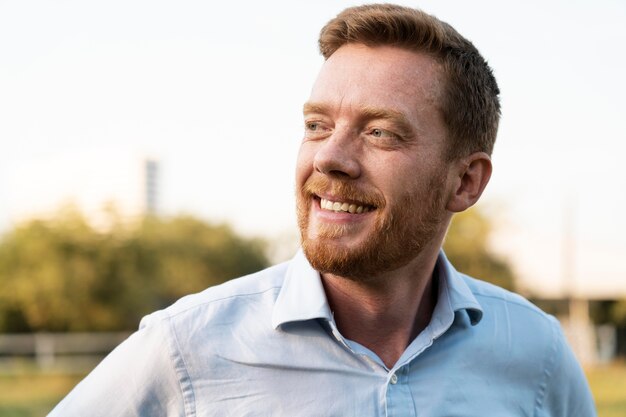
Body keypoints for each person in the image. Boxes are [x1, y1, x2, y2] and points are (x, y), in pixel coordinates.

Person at [50, 4, 596, 416]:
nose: (330, 157)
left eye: (379, 132)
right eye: (316, 126)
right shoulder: (185, 348)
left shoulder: (538, 355)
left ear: (466, 181)